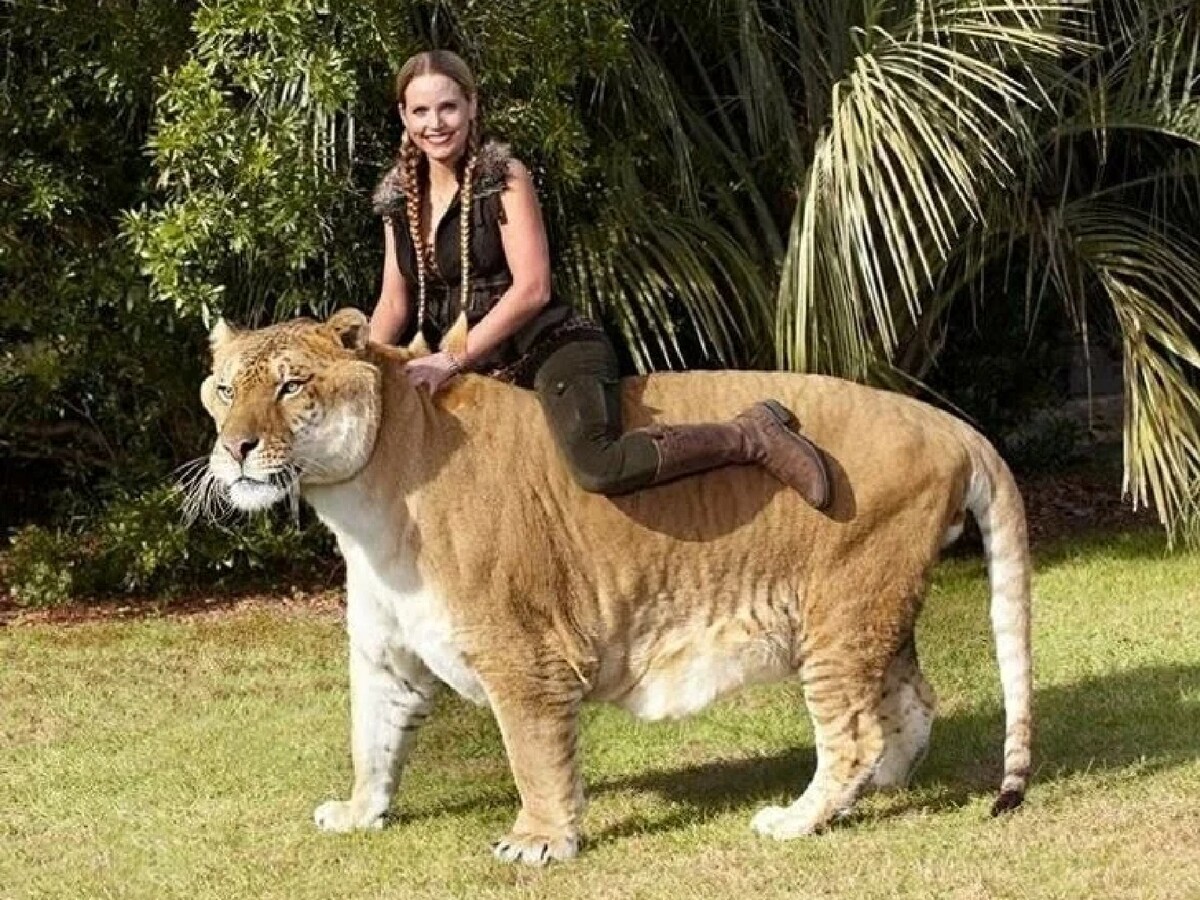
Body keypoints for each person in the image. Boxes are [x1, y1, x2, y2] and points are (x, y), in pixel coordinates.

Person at [369, 49, 833, 508]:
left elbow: (533, 289)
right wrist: (355, 364)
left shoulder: (504, 177)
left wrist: (450, 360)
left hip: (548, 347)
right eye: (421, 111)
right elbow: (394, 303)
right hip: (474, 366)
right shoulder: (398, 200)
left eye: (448, 107)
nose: (435, 123)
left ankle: (750, 435)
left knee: (597, 464)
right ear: (404, 116)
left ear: (472, 106)